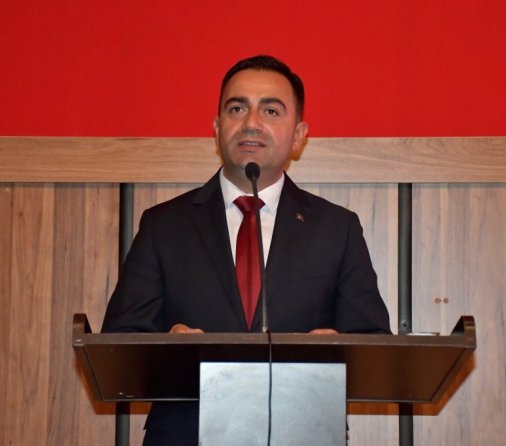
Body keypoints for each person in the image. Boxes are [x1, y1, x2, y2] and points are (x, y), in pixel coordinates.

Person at [102, 54, 391, 445]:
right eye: (237, 108)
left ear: (299, 135)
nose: (251, 122)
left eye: (271, 110)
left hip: (303, 434)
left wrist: (334, 347)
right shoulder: (164, 225)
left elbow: (374, 347)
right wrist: (170, 348)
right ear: (217, 128)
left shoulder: (337, 228)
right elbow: (119, 347)